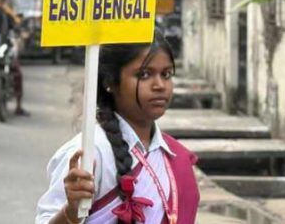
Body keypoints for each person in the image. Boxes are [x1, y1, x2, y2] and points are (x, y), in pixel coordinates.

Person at [35, 30, 200, 224]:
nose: (160, 85)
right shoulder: (90, 153)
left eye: (166, 74)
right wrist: (71, 211)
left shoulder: (172, 155)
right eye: (144, 74)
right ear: (110, 82)